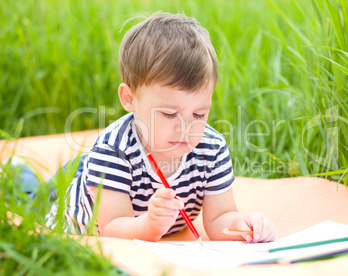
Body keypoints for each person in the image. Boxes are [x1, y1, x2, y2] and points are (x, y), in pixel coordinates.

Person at [46, 12, 277, 243]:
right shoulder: (112, 152)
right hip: (78, 214)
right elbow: (113, 229)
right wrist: (148, 225)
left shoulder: (211, 149)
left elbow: (220, 218)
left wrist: (244, 225)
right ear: (129, 98)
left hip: (107, 181)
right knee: (33, 195)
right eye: (168, 114)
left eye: (199, 114)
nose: (186, 128)